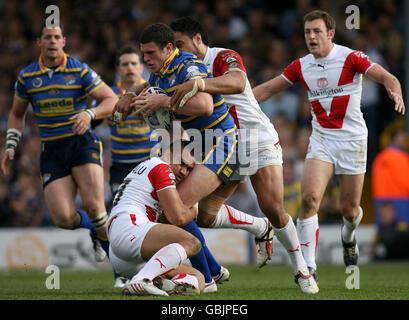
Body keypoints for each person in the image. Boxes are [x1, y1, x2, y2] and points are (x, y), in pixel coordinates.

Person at [113, 23, 272, 292]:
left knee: (179, 208)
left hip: (225, 143)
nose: (146, 60)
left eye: (150, 54)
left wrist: (162, 102)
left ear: (168, 49)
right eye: (144, 54)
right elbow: (152, 88)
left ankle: (207, 277)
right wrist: (130, 96)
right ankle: (226, 257)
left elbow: (205, 104)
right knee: (197, 215)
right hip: (200, 146)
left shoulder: (188, 66)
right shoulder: (160, 73)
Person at [252, 10, 405, 281]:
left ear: (330, 33)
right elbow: (266, 90)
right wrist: (234, 103)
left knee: (349, 209)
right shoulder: (301, 65)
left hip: (353, 140)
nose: (311, 36)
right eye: (307, 32)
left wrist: (394, 88)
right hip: (322, 139)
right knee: (310, 199)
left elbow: (386, 76)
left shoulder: (350, 57)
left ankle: (349, 236)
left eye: (317, 31)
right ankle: (308, 268)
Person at [168, 16, 318, 294]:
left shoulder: (223, 56)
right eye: (174, 47)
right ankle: (259, 228)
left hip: (255, 138)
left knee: (273, 206)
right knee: (204, 216)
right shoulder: (180, 71)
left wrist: (199, 85)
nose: (179, 51)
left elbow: (237, 82)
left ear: (198, 39)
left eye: (181, 44)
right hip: (222, 144)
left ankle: (301, 269)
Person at [1, 24, 118, 261]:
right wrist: (11, 144)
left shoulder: (80, 70)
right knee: (63, 219)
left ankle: (120, 269)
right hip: (52, 150)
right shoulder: (27, 77)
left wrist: (89, 114)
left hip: (81, 144)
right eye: (47, 37)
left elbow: (110, 98)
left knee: (95, 207)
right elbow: (16, 114)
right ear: (40, 43)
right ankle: (95, 232)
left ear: (64, 41)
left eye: (56, 37)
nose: (52, 41)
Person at [91, 46, 157, 287]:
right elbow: (91, 124)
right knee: (121, 219)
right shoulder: (108, 96)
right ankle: (120, 275)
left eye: (133, 63)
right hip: (120, 167)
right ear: (118, 69)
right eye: (124, 64)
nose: (129, 68)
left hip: (148, 163)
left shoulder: (152, 90)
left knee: (152, 219)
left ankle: (150, 272)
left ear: (141, 67)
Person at [108, 139, 205, 296]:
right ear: (168, 154)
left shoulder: (149, 166)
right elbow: (178, 218)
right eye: (182, 163)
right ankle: (142, 279)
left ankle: (164, 284)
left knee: (197, 278)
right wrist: (194, 210)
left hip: (124, 247)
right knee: (193, 243)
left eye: (189, 169)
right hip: (130, 228)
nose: (184, 172)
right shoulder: (162, 168)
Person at [372, 127, 409, 227]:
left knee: (384, 233)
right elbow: (406, 181)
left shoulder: (380, 157)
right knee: (402, 233)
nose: (405, 140)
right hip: (401, 200)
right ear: (394, 138)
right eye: (402, 137)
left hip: (381, 199)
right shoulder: (402, 158)